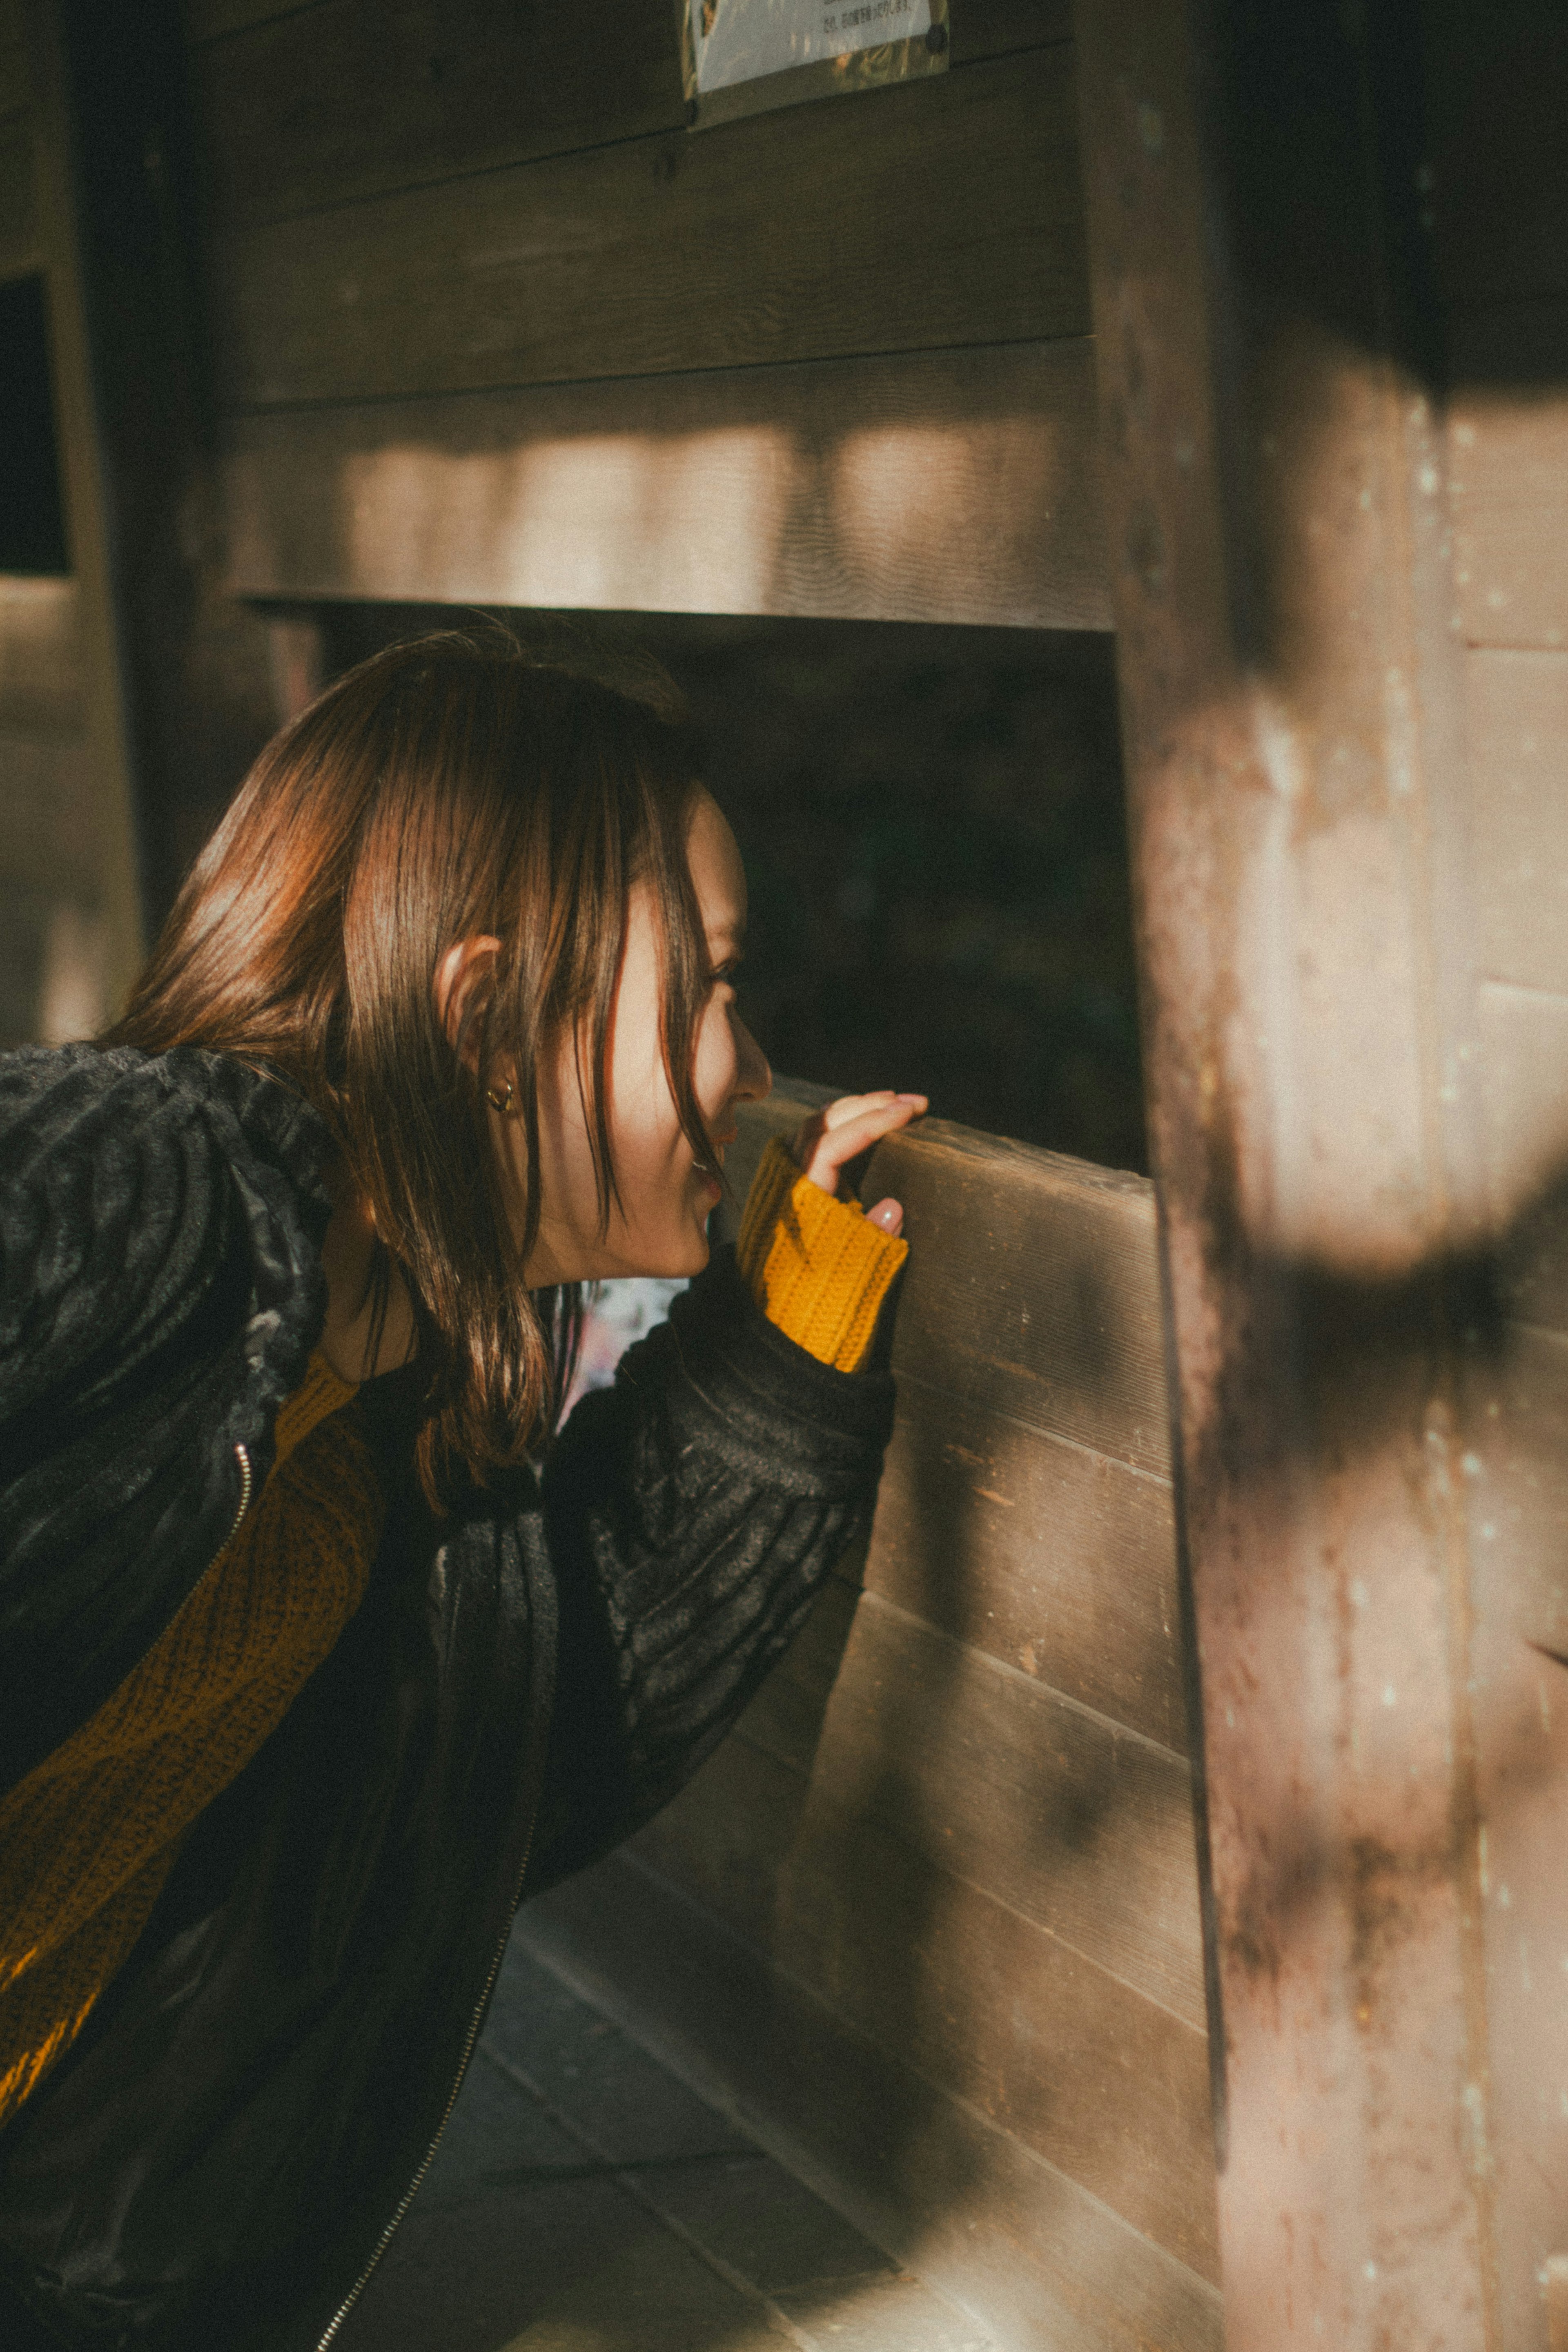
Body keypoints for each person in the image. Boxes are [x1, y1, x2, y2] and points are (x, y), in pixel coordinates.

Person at [0, 630, 925, 2351]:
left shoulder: (398, 1421)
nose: (745, 1056)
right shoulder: (139, 1180)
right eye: (705, 984)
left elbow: (524, 1748)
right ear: (489, 1016)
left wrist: (794, 1334)